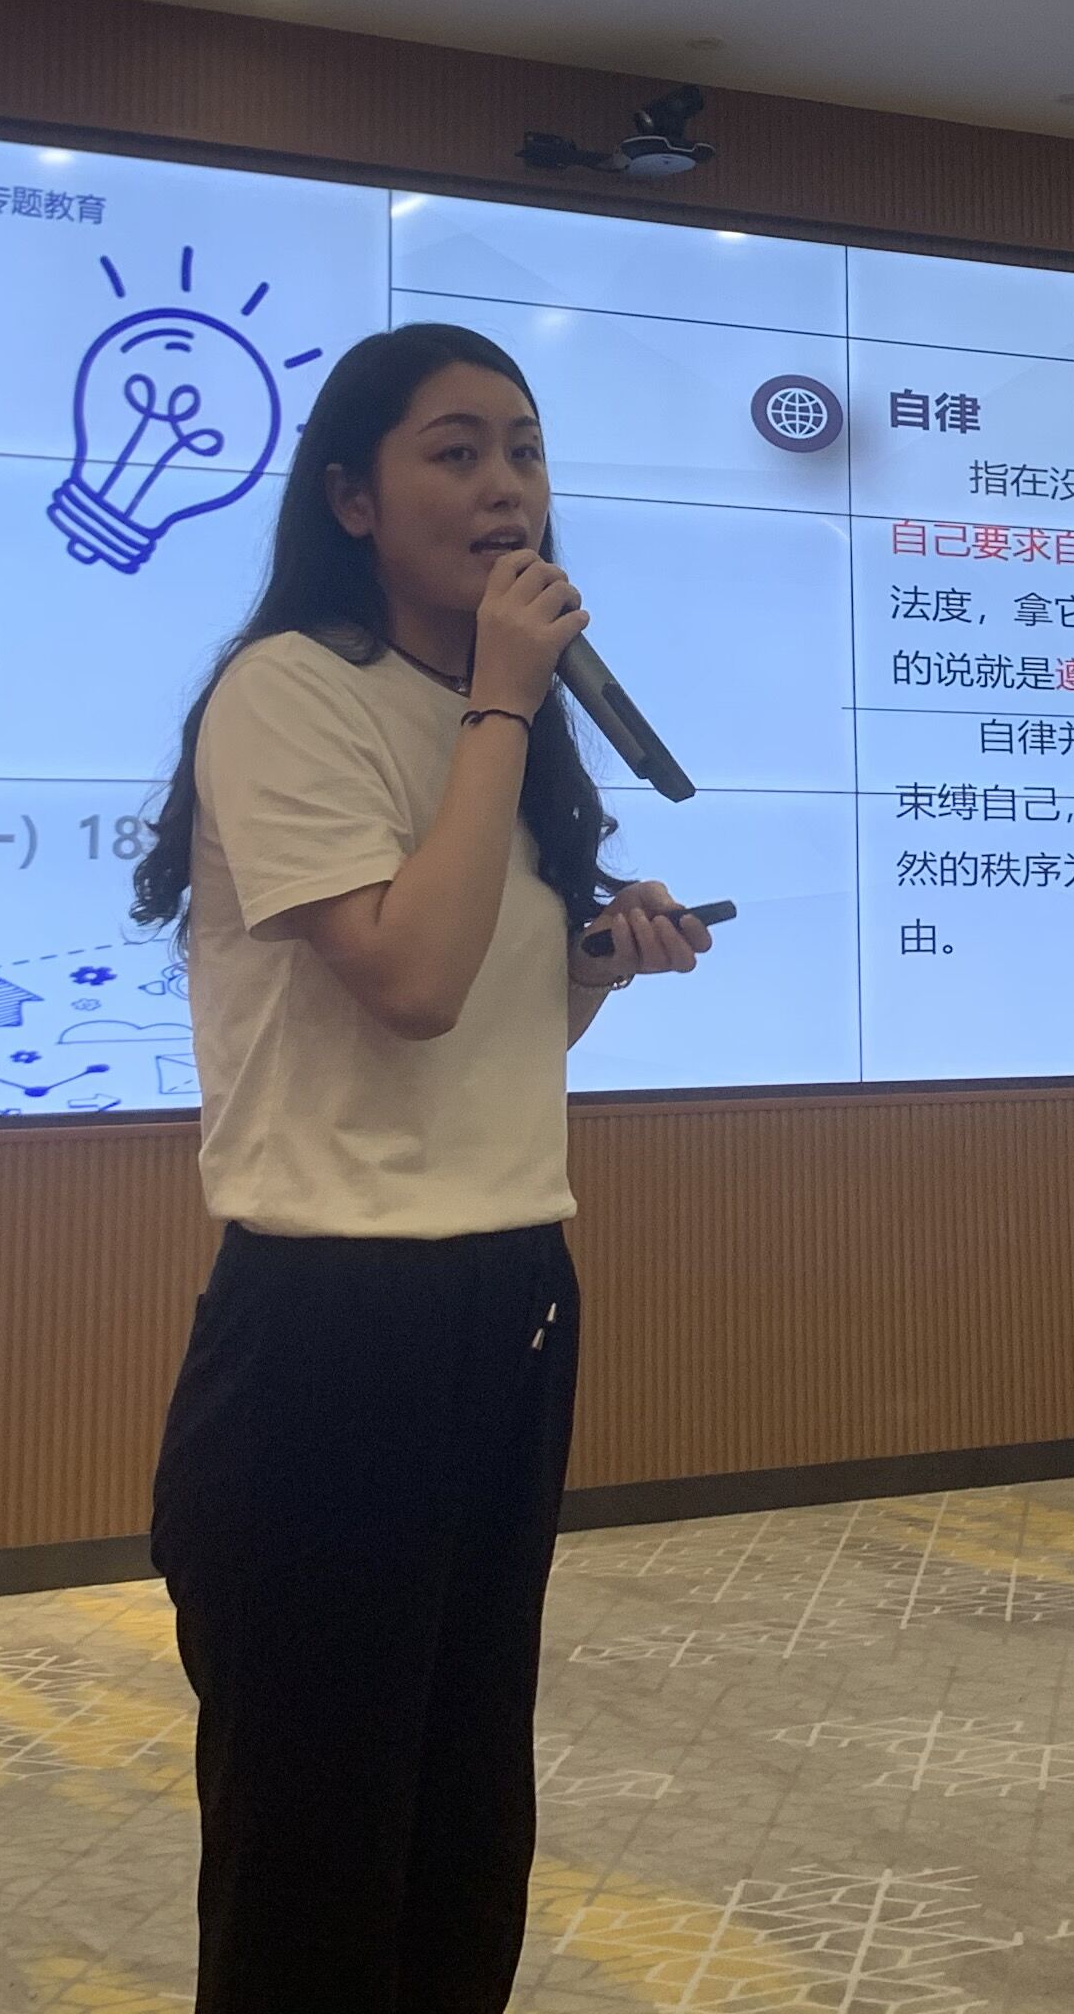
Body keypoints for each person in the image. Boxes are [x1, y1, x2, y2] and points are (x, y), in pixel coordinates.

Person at [131, 320, 711, 2014]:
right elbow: (406, 980)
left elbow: (484, 1031)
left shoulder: (499, 734)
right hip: (333, 1323)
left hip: (513, 1295)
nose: (504, 486)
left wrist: (594, 962)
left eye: (523, 450)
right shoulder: (291, 693)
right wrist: (503, 702)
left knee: (465, 1814)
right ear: (353, 499)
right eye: (455, 452)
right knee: (318, 1834)